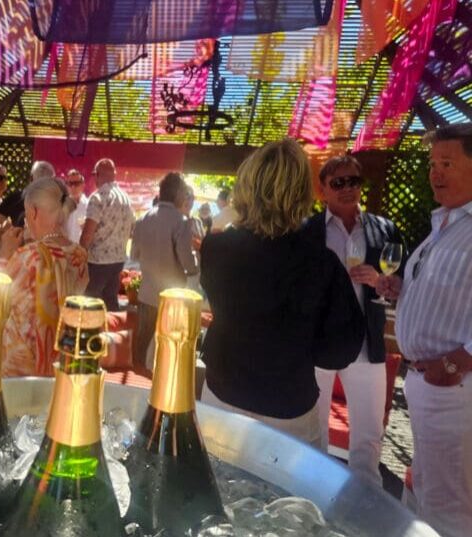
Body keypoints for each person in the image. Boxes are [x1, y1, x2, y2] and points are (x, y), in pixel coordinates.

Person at [199, 139, 365, 444]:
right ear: (302, 193)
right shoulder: (321, 263)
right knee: (284, 492)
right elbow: (339, 350)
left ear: (246, 186)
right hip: (287, 405)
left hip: (221, 393)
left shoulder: (216, 248)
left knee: (214, 484)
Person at [378, 124, 472, 537]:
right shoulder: (446, 224)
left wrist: (455, 364)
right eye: (434, 164)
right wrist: (403, 290)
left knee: (450, 506)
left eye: (447, 163)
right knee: (427, 489)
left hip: (453, 387)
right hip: (430, 383)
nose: (435, 173)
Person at [304, 155, 404, 488]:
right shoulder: (308, 231)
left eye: (354, 182)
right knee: (312, 429)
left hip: (366, 344)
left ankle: (365, 503)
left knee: (368, 435)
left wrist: (381, 282)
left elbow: (402, 283)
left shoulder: (384, 228)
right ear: (323, 190)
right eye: (338, 183)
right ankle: (311, 494)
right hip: (320, 345)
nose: (347, 189)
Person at [0, 177, 88, 377]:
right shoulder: (78, 255)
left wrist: (3, 255)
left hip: (22, 366)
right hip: (61, 362)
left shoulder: (29, 257)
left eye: (26, 214)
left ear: (34, 212)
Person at [130, 172, 198, 371]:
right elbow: (187, 259)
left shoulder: (143, 219)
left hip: (146, 292)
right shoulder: (182, 221)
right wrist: (195, 269)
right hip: (171, 295)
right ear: (178, 195)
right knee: (165, 348)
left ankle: (137, 383)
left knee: (141, 347)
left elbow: (134, 254)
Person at [80, 158, 135, 311]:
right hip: (118, 260)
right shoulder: (126, 199)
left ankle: (89, 334)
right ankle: (111, 334)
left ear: (97, 175)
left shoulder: (98, 197)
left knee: (88, 303)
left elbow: (87, 234)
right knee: (110, 302)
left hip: (98, 262)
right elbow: (132, 228)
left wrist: (79, 254)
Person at [0, 160, 55, 247]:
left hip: (25, 254)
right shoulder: (55, 202)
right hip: (41, 254)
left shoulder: (17, 198)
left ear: (31, 178)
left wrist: (1, 246)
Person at [64, 169, 89, 244]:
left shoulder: (89, 206)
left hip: (81, 251)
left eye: (76, 183)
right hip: (65, 250)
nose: (73, 187)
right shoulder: (62, 205)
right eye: (70, 183)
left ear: (83, 185)